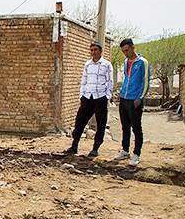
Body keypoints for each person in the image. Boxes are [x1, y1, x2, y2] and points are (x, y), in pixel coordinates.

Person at [63, 42, 113, 158]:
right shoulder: (87, 64)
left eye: (95, 50)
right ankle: (74, 146)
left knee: (101, 124)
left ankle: (95, 149)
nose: (93, 52)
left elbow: (110, 82)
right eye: (91, 50)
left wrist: (107, 96)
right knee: (79, 122)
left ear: (100, 51)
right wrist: (82, 95)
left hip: (100, 98)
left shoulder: (107, 65)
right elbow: (83, 81)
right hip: (87, 97)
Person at [113, 38, 150, 166]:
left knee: (136, 127)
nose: (125, 53)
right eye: (123, 51)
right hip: (124, 98)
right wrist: (121, 94)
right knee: (125, 127)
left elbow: (146, 81)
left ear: (133, 47)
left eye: (127, 50)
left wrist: (140, 97)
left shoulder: (142, 62)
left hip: (135, 100)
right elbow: (126, 78)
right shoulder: (125, 62)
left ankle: (136, 154)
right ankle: (125, 150)